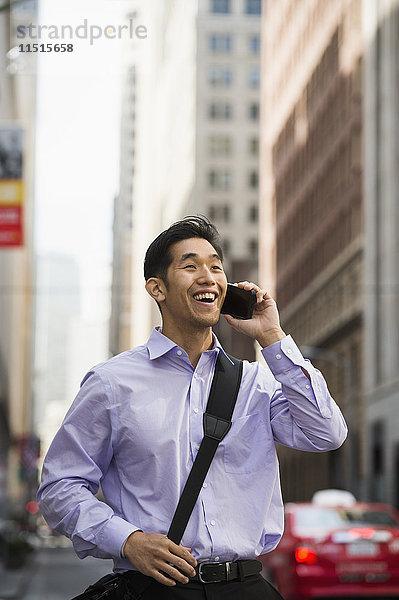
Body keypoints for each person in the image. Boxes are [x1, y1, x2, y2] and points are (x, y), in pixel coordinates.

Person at [37, 216, 347, 599]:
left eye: (216, 267)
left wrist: (272, 337)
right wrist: (128, 540)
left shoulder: (256, 383)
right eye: (190, 266)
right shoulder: (111, 383)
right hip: (157, 588)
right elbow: (60, 486)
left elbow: (327, 433)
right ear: (157, 288)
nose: (209, 276)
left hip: (247, 588)